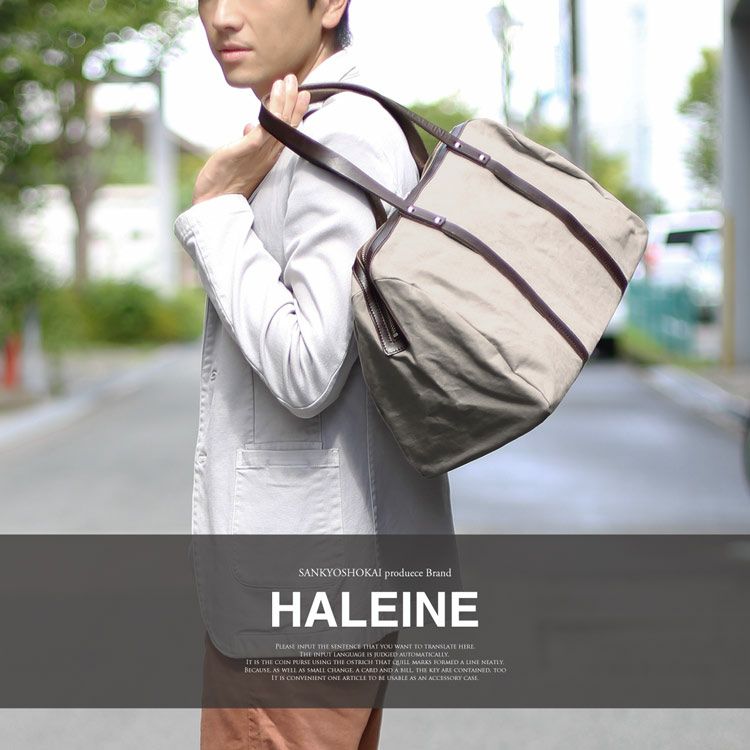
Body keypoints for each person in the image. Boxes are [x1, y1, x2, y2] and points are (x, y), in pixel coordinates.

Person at [172, 0, 456, 746]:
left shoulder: (340, 133)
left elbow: (307, 366)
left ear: (330, 4)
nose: (221, 17)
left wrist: (216, 207)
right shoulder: (320, 124)